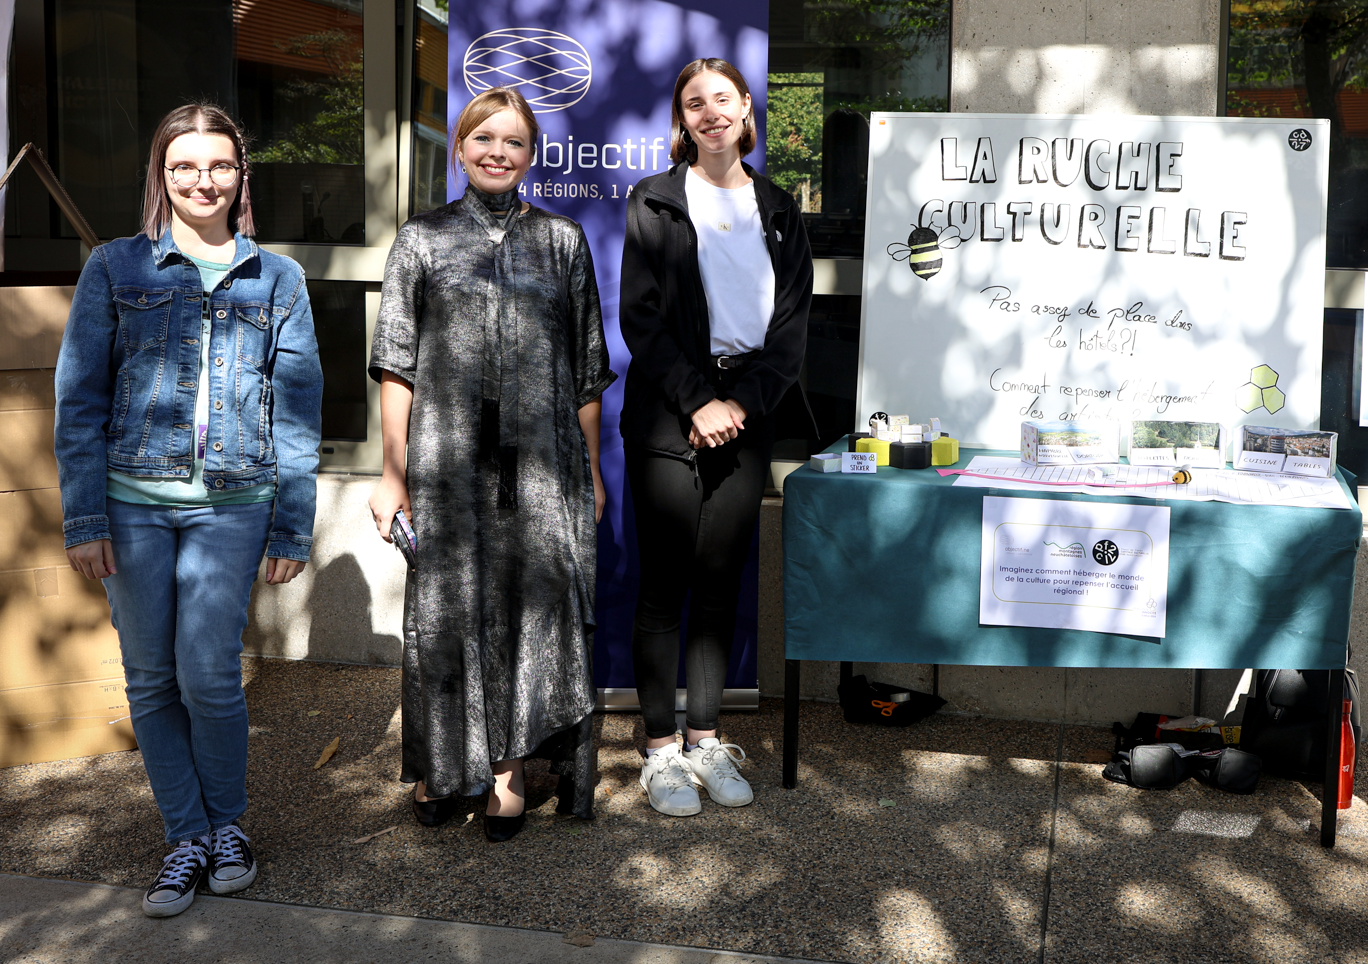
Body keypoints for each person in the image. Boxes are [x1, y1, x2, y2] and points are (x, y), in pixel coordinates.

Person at [56, 104, 322, 918]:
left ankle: (227, 826)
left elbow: (297, 413)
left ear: (241, 175)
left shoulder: (278, 279)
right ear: (161, 174)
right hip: (131, 505)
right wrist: (85, 518)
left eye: (219, 166)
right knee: (149, 677)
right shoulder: (113, 267)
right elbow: (78, 399)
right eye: (184, 167)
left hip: (233, 506)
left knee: (208, 676)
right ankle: (186, 836)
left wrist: (292, 522)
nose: (202, 181)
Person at [367, 86, 613, 842]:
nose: (497, 152)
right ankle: (441, 766)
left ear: (532, 155)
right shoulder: (421, 240)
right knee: (444, 614)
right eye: (484, 138)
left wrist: (591, 470)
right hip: (446, 467)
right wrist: (392, 473)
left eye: (514, 141)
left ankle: (508, 770)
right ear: (460, 147)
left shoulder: (562, 241)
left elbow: (587, 372)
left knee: (530, 612)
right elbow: (396, 366)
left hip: (543, 468)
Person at [620, 57, 812, 816]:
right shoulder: (656, 199)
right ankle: (659, 752)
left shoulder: (778, 207)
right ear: (682, 120)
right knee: (664, 584)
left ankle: (704, 738)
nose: (710, 113)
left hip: (748, 412)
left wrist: (740, 405)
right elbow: (641, 317)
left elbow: (792, 326)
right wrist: (699, 401)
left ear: (745, 110)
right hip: (670, 412)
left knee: (720, 583)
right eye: (694, 102)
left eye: (722, 99)